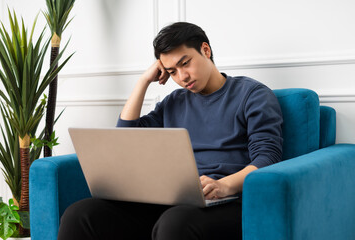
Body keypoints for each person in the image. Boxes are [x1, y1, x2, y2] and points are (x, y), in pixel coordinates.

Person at [58, 22, 283, 240]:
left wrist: (224, 186)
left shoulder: (253, 94)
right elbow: (127, 137)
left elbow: (268, 157)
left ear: (206, 49)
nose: (181, 77)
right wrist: (144, 81)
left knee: (175, 222)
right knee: (80, 214)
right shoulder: (174, 101)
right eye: (172, 71)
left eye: (185, 63)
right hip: (174, 202)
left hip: (228, 201)